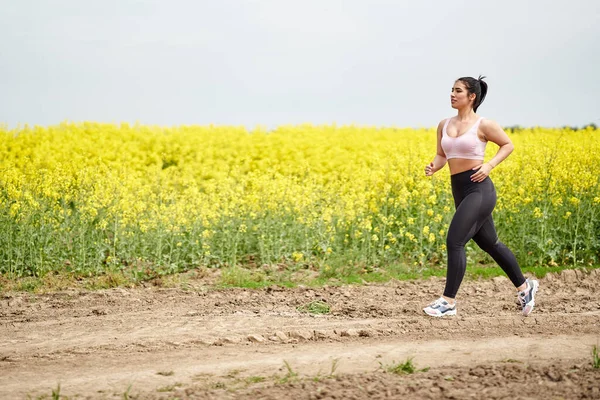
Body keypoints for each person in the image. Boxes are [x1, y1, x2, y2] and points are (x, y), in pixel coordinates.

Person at [423, 75, 538, 317]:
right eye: (451, 90)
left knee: (455, 241)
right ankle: (525, 287)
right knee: (490, 243)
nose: (452, 95)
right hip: (460, 189)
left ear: (471, 96)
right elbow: (442, 154)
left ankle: (448, 302)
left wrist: (489, 166)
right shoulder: (444, 124)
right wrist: (434, 166)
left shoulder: (484, 124)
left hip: (479, 189)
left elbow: (507, 145)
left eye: (458, 91)